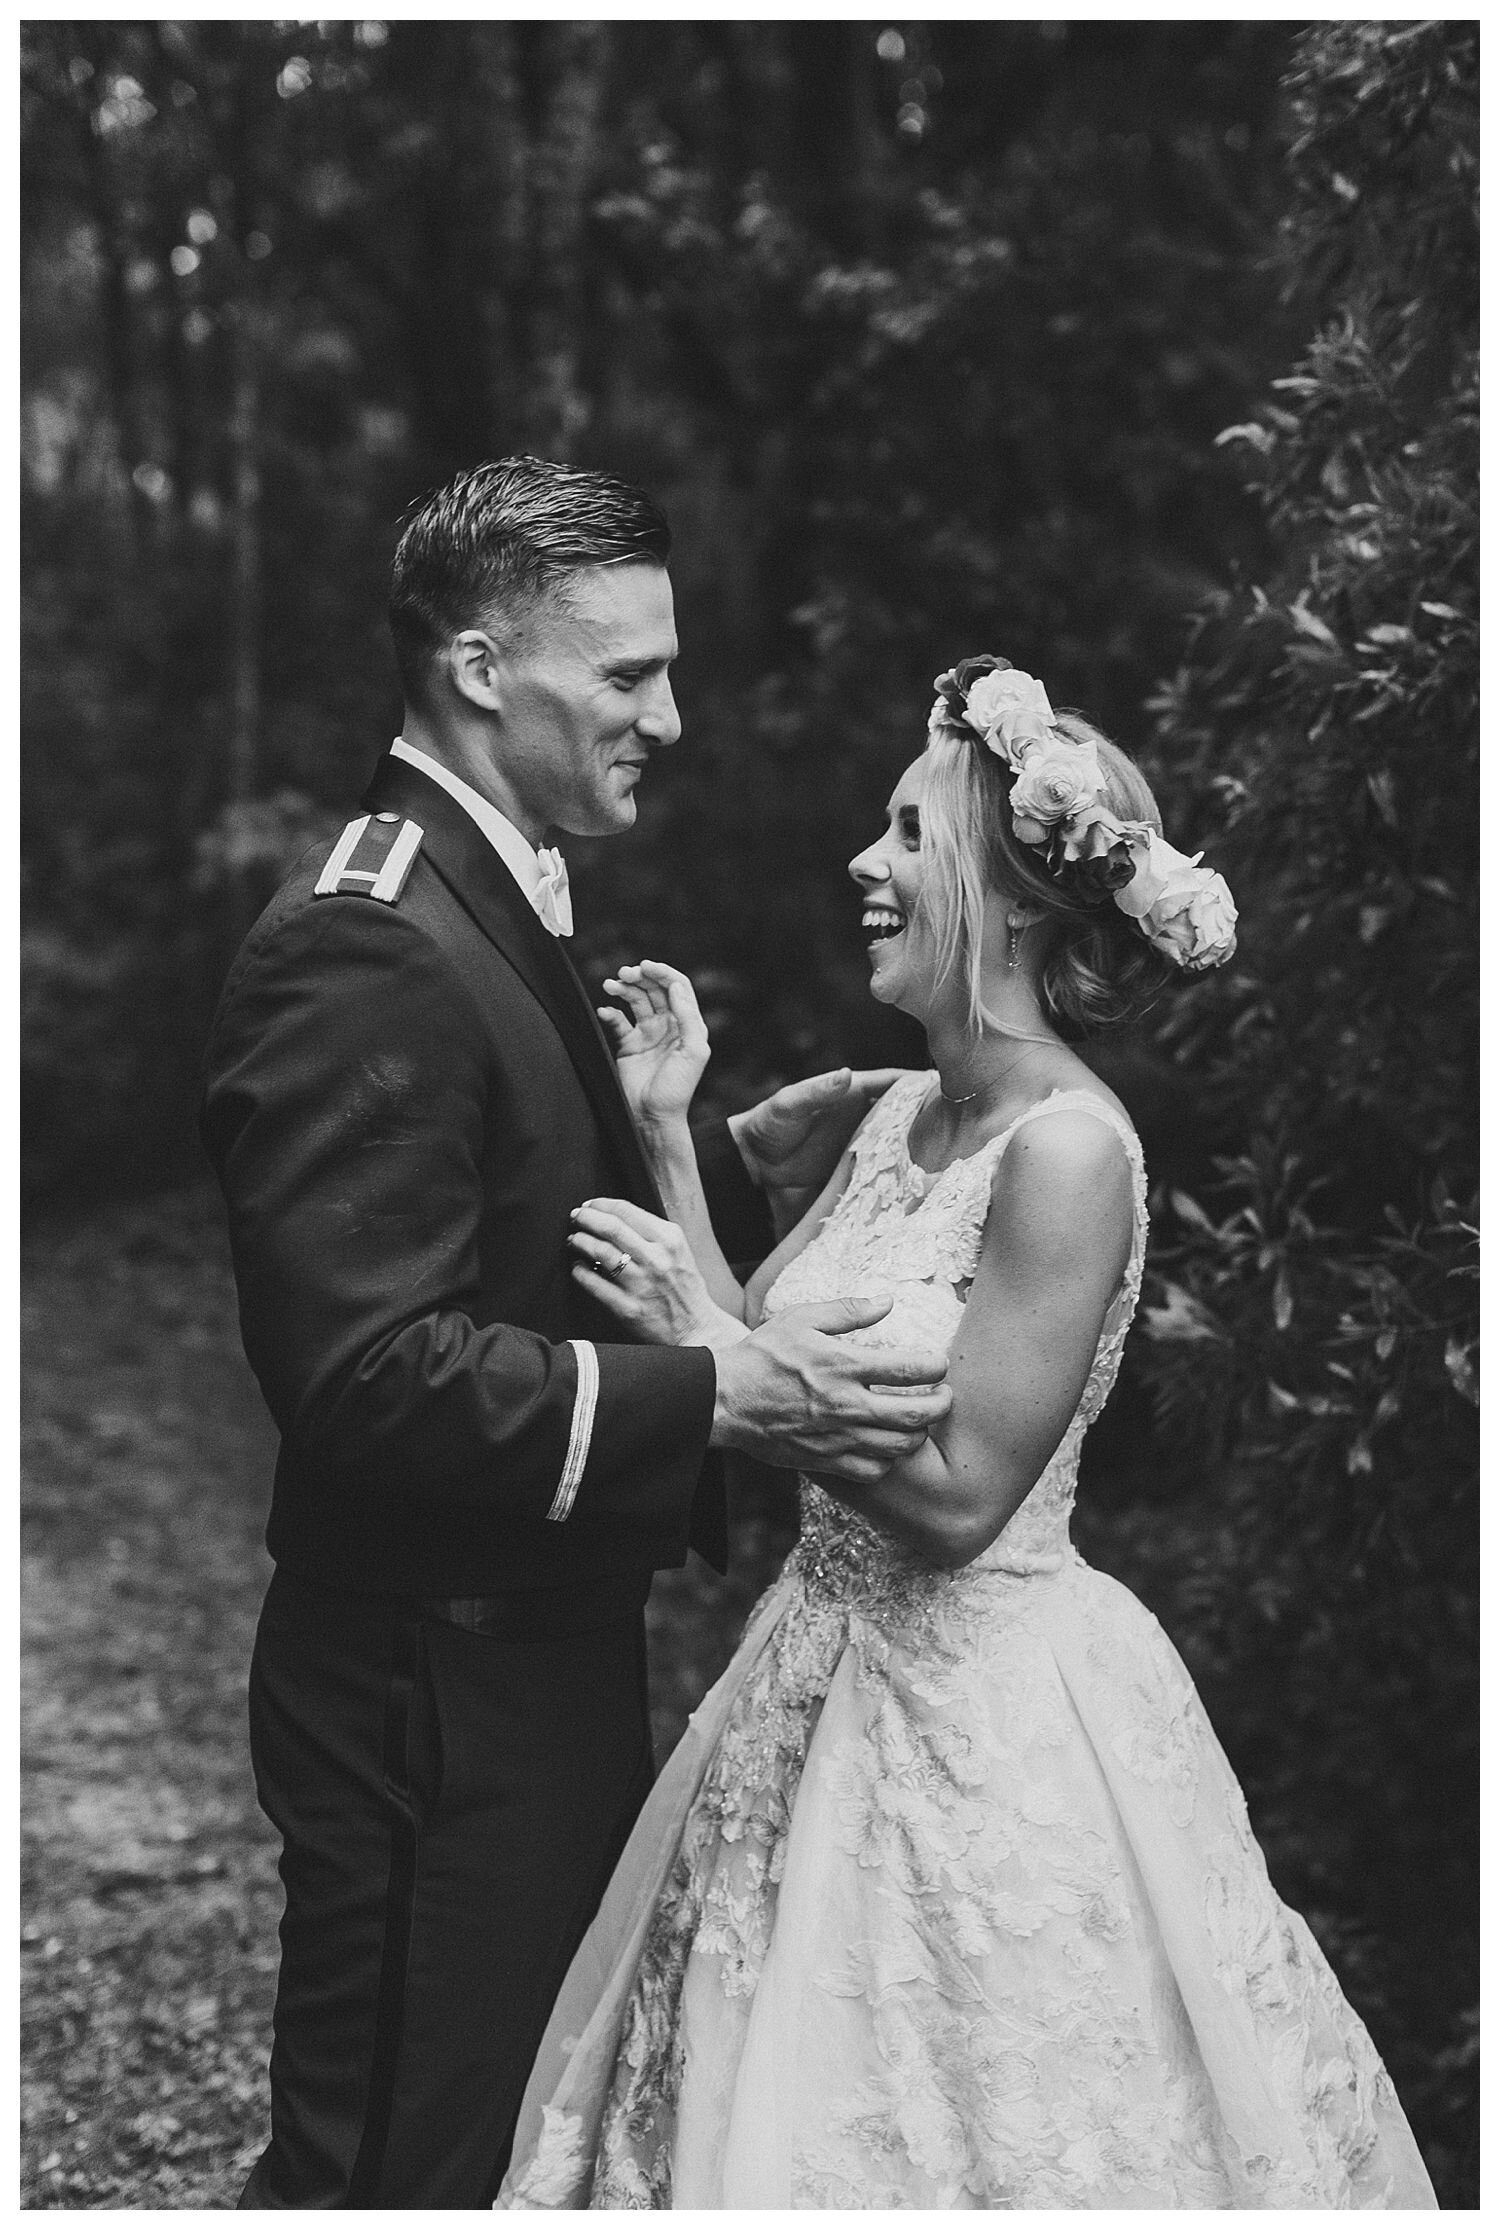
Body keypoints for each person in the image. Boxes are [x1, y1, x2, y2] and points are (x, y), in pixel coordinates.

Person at [499, 655, 1437, 2209]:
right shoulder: (896, 1120)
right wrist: (670, 1130)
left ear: (1007, 900)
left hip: (988, 1713)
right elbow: (747, 1360)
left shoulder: (1070, 1155)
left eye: (908, 835)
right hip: (809, 1673)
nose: (868, 865)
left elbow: (956, 1498)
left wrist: (706, 1337)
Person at [198, 456, 955, 2209]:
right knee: (391, 2167)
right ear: (478, 668)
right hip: (429, 1695)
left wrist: (728, 1173)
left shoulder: (485, 885)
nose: (670, 719)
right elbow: (368, 1379)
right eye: (626, 677)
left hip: (520, 1659)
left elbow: (510, 1221)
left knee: (510, 2146)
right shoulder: (365, 940)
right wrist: (719, 1390)